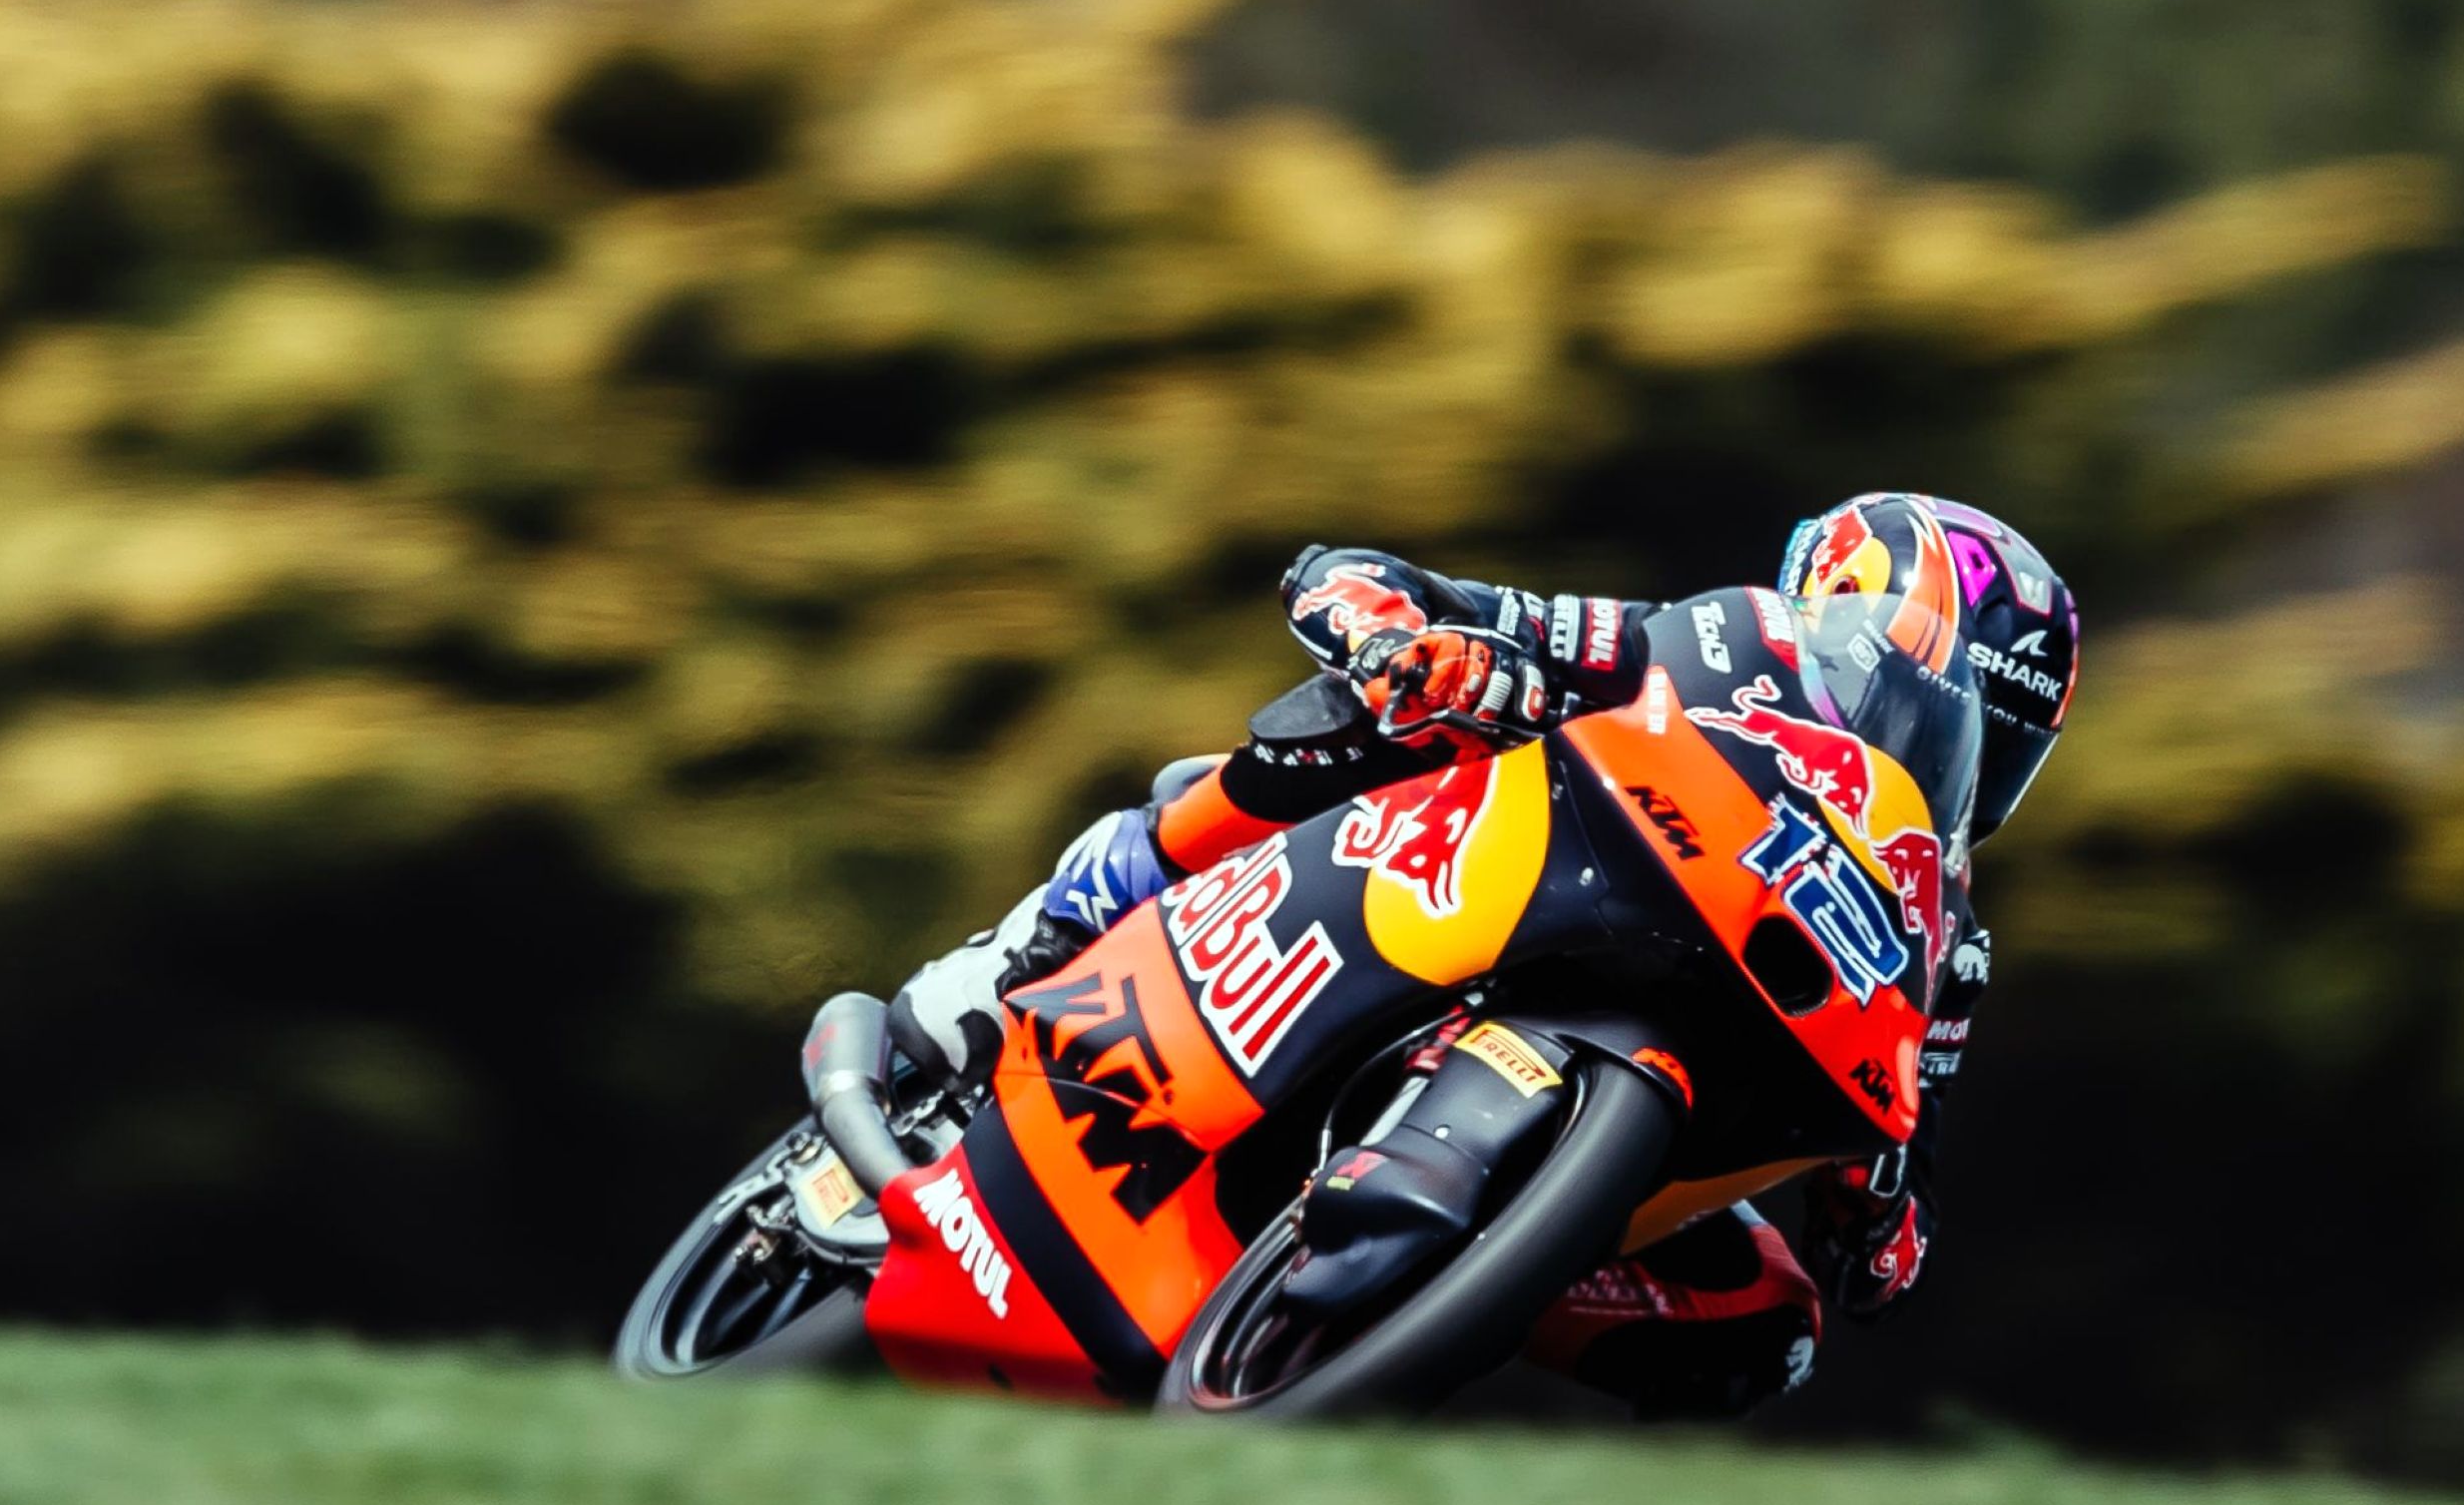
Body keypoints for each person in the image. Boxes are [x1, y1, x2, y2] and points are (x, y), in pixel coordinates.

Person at [886, 492, 2078, 1420]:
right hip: (1448, 878)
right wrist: (1410, 645)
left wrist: (1880, 1214)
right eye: (1942, 697)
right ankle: (1057, 924)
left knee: (1768, 1331)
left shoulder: (1943, 931)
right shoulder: (1712, 646)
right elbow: (1348, 576)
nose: (1952, 750)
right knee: (1358, 723)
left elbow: (1887, 1170)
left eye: (1998, 739)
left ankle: (1370, 1342)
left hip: (1641, 1109)